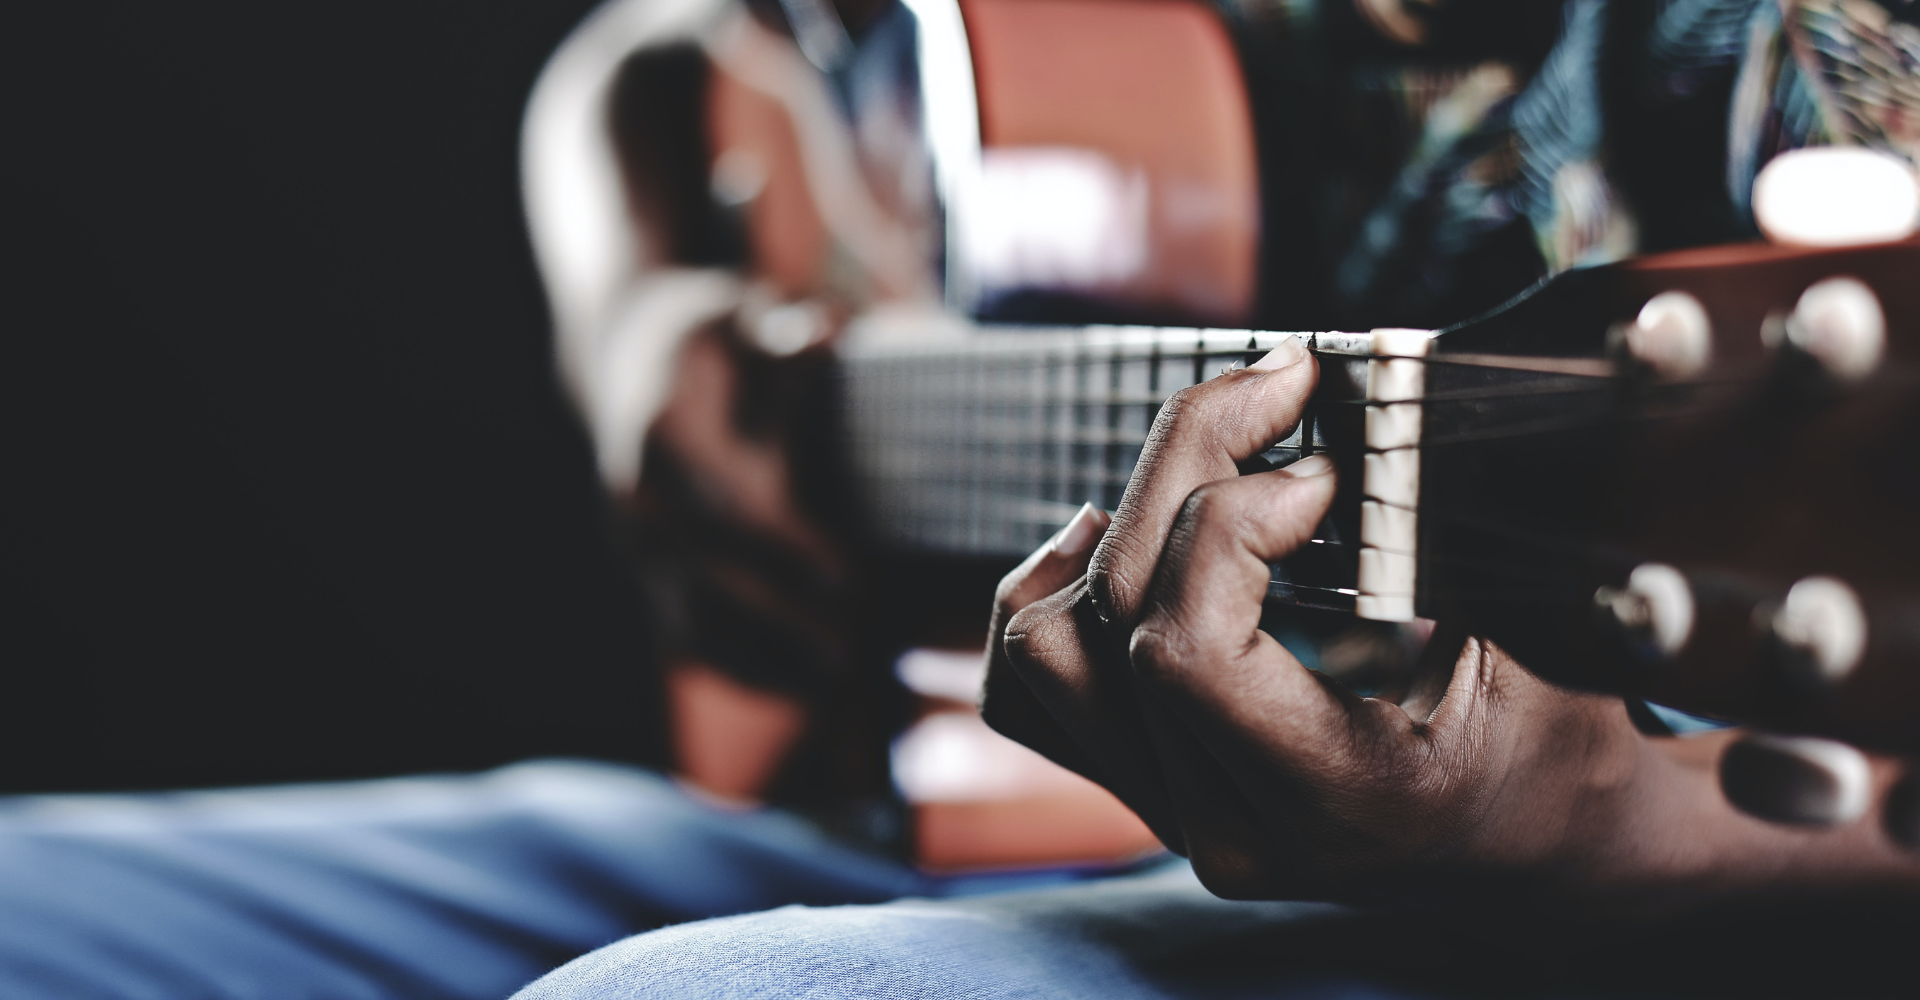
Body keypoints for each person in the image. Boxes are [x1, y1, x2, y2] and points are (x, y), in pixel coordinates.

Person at [511, 335, 1920, 1000]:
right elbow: (645, 57)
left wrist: (1607, 820)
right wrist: (642, 296)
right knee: (351, 892)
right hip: (946, 757)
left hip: (1562, 897)